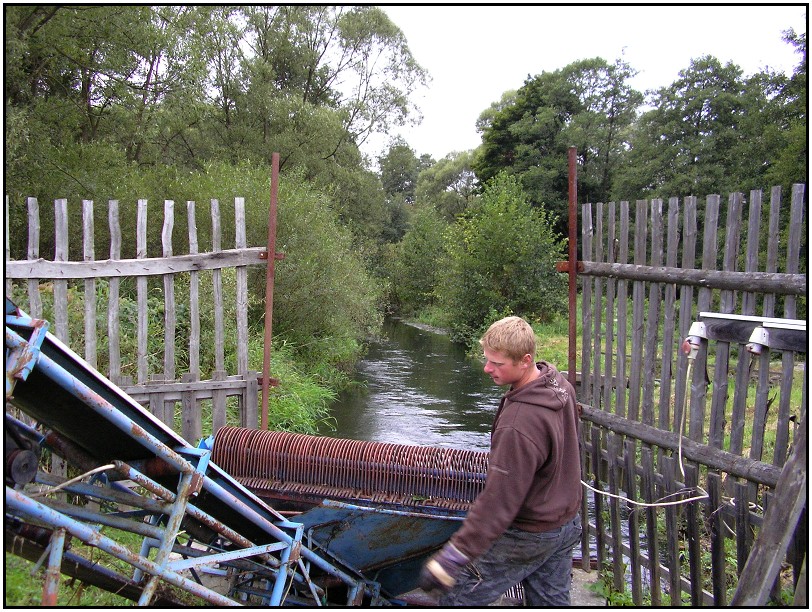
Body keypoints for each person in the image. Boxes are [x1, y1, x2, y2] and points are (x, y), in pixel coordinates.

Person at [419, 315, 582, 606]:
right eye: (487, 359)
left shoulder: (519, 424)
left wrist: (452, 557)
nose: (487, 368)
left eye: (497, 364)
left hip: (531, 532)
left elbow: (499, 501)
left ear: (525, 360)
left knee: (457, 598)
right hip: (566, 522)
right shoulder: (559, 385)